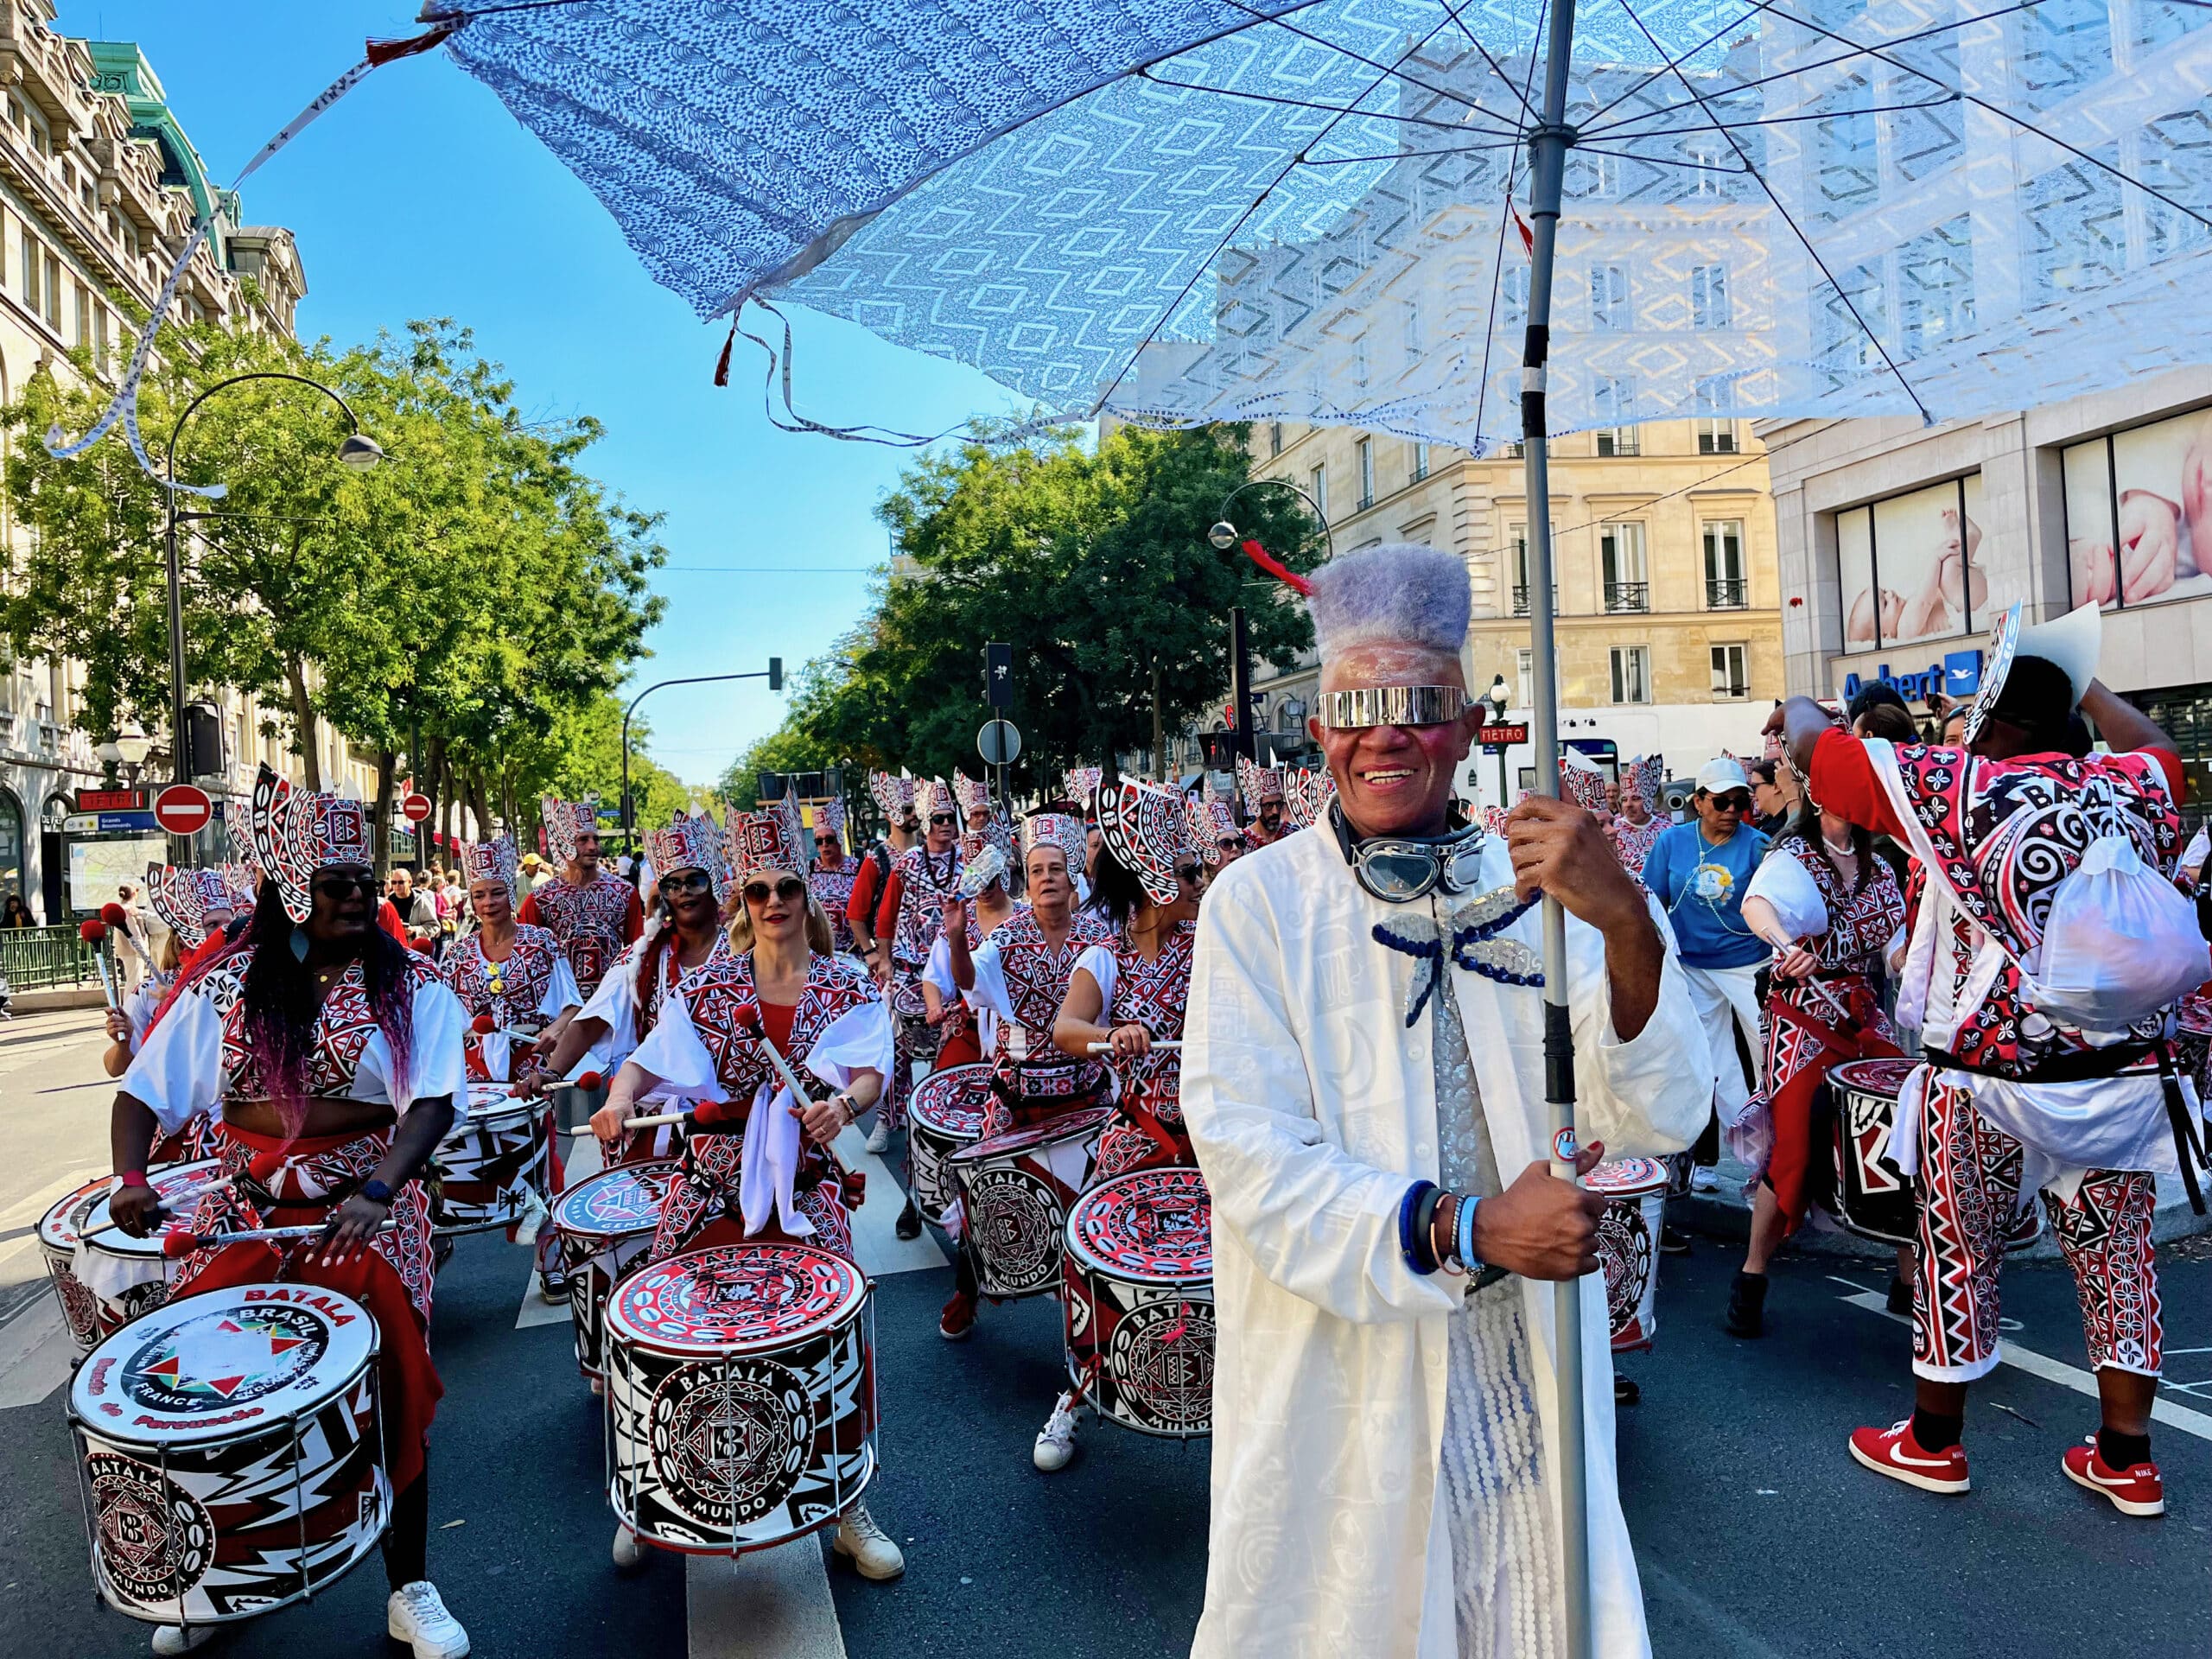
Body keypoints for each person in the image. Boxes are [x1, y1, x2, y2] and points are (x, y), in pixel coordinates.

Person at [1181, 543, 1709, 1659]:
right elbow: (1253, 1164)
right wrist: (1470, 1227)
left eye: (1416, 703)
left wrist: (1621, 920)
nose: (1386, 734)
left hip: (1528, 1385)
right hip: (1347, 1394)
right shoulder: (1256, 908)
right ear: (1317, 729)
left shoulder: (1539, 887)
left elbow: (1659, 1110)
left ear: (1469, 727)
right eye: (1355, 705)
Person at [1770, 602, 2205, 1518]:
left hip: (1986, 1083)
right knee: (2119, 1257)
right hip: (2121, 1080)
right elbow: (2153, 737)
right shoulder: (2135, 788)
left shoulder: (1959, 787)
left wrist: (1804, 705)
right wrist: (2075, 677)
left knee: (1956, 1248)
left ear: (1998, 722)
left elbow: (1819, 754)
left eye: (1977, 716)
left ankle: (1933, 1444)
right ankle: (2126, 1457)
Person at [104, 766, 470, 1658]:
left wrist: (381, 1189)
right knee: (202, 1388)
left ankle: (410, 1585)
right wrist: (129, 1180)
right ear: (290, 891)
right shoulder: (223, 991)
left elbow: (431, 1103)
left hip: (364, 1215)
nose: (356, 897)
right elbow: (143, 1096)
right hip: (247, 1211)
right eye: (335, 884)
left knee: (388, 1386)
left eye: (363, 881)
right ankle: (206, 1586)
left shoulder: (408, 985)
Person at [589, 796, 902, 1580]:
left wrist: (844, 1105)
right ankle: (650, 1499)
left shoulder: (842, 984)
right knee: (660, 1335)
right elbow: (649, 1061)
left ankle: (845, 1507)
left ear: (807, 896)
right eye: (757, 891)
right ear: (744, 900)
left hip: (802, 1182)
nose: (772, 904)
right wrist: (619, 1101)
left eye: (785, 890)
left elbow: (871, 1068)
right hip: (708, 1180)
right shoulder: (706, 987)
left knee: (835, 1337)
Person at [1031, 779, 1205, 1473]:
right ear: (1154, 877)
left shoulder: (1217, 940)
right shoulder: (1103, 954)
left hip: (1219, 1133)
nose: (1200, 881)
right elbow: (1066, 1027)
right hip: (1140, 1132)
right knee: (1094, 1262)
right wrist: (1111, 1035)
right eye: (1189, 871)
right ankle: (1075, 1396)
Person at [1725, 793, 1908, 1335]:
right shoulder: (1795, 856)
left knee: (1907, 1123)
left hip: (1859, 1008)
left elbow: (1894, 951)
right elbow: (1757, 905)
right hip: (1802, 1011)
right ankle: (1752, 1276)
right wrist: (1784, 946)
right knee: (1793, 1145)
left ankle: (1907, 1280)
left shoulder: (1880, 864)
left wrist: (1922, 952)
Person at [936, 811, 1109, 1339]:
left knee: (1090, 1207)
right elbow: (969, 981)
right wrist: (959, 940)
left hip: (1085, 1092)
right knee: (984, 1194)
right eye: (1037, 870)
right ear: (1026, 881)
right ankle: (968, 1291)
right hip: (1017, 1087)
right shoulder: (1006, 937)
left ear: (1073, 874)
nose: (1048, 878)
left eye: (1057, 868)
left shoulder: (1101, 935)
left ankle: (1088, 1318)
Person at [1641, 758, 1770, 1194]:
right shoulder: (1671, 843)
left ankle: (1781, 1158)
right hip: (1693, 966)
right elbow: (1653, 901)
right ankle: (1754, 1159)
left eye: (1740, 800)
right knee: (1715, 1064)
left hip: (1749, 963)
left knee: (1768, 1053)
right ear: (1698, 802)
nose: (1732, 809)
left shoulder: (1757, 845)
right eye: (1721, 801)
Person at [872, 779, 964, 1236]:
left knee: (956, 1096)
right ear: (926, 823)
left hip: (960, 983)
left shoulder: (972, 862)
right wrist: (883, 960)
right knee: (911, 1093)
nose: (947, 826)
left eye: (952, 818)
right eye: (939, 819)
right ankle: (913, 1195)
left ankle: (962, 1196)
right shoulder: (906, 865)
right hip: (911, 980)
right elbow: (885, 918)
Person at [519, 796, 645, 1001]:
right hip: (560, 1006)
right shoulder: (541, 899)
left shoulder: (624, 893)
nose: (593, 847)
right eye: (583, 840)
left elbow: (638, 953)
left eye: (595, 839)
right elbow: (527, 957)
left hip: (611, 1002)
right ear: (565, 844)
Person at [921, 839, 1014, 1071]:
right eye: (976, 884)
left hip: (1017, 1026)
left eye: (989, 883)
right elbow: (934, 976)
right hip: (967, 1026)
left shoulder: (1026, 919)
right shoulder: (959, 920)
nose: (983, 891)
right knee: (946, 1086)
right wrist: (934, 1007)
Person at [806, 798, 864, 956]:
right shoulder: (807, 871)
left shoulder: (859, 868)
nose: (824, 844)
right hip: (817, 951)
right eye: (819, 841)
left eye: (829, 839)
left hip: (853, 952)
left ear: (839, 839)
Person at [1610, 754, 1667, 885]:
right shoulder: (1612, 831)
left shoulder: (1668, 830)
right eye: (1624, 799)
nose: (1628, 805)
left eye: (1635, 799)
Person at [1235, 754, 1289, 847]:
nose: (1275, 811)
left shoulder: (1294, 833)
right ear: (1256, 806)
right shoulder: (1243, 843)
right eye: (1268, 806)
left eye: (1279, 803)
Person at [385, 867, 439, 952]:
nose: (397, 886)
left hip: (414, 952)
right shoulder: (388, 902)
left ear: (410, 882)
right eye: (394, 882)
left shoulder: (421, 901)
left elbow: (434, 927)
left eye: (401, 882)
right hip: (393, 951)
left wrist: (415, 930)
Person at [1747, 759, 1793, 838]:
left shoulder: (1783, 829)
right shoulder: (1769, 823)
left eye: (1754, 787)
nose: (1751, 794)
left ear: (1776, 786)